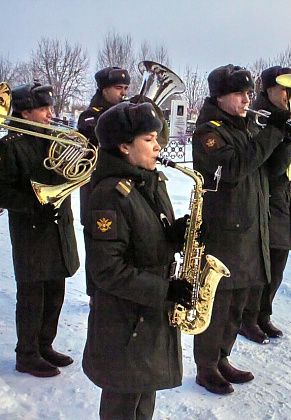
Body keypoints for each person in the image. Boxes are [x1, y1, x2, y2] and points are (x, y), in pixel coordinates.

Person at [82, 101, 192, 419]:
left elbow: (146, 238)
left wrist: (175, 232)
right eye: (148, 139)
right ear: (124, 146)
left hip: (145, 312)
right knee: (123, 401)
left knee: (144, 393)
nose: (158, 145)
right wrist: (164, 291)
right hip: (125, 320)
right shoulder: (109, 195)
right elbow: (108, 270)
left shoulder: (147, 182)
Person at [191, 64, 289, 395]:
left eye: (249, 93)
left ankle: (222, 357)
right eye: (240, 94)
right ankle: (206, 367)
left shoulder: (246, 126)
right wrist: (271, 133)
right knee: (218, 303)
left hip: (249, 227)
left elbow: (270, 169)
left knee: (238, 303)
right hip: (224, 231)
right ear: (220, 96)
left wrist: (286, 139)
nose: (247, 99)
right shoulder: (209, 131)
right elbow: (234, 167)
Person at [0, 82, 80, 377]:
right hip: (31, 230)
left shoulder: (55, 139)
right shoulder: (10, 146)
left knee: (55, 291)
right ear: (25, 112)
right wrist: (33, 204)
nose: (51, 113)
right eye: (44, 108)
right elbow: (2, 191)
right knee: (32, 295)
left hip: (58, 227)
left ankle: (45, 345)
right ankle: (27, 354)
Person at [239, 66, 291, 344]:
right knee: (261, 266)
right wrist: (284, 139)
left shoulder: (290, 117)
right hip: (267, 198)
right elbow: (270, 168)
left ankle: (263, 315)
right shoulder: (258, 119)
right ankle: (247, 319)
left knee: (278, 265)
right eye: (285, 88)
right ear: (268, 89)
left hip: (288, 199)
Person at [78, 66, 131, 299]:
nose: (124, 93)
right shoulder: (90, 115)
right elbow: (103, 134)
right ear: (104, 89)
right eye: (119, 88)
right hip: (95, 191)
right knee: (98, 241)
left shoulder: (125, 112)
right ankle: (94, 293)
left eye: (126, 88)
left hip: (123, 191)